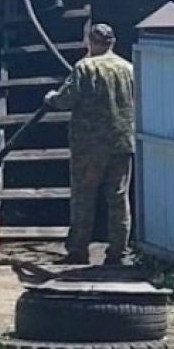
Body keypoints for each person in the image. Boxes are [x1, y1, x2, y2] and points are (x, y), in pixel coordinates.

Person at [44, 23, 135, 266]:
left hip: (89, 145)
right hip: (122, 142)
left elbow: (66, 99)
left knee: (84, 197)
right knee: (118, 198)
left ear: (90, 41)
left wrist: (51, 98)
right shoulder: (129, 69)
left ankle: (78, 251)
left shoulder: (85, 67)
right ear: (113, 42)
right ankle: (119, 253)